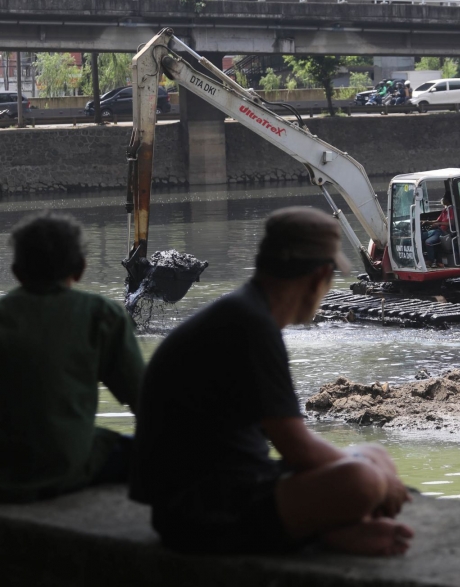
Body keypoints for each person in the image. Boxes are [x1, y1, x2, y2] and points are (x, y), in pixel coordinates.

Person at [130, 206, 414, 556]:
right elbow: (298, 448)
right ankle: (327, 534)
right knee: (363, 480)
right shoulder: (253, 326)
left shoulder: (243, 311)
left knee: (374, 453)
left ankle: (333, 531)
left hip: (215, 490)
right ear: (319, 277)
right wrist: (381, 484)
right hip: (200, 513)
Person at [0, 210, 145, 503]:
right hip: (64, 467)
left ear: (17, 272)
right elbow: (145, 399)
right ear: (80, 268)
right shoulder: (101, 314)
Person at [422, 192, 455, 268]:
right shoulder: (445, 210)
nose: (442, 199)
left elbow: (451, 223)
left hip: (444, 233)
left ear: (448, 200)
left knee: (428, 242)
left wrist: (438, 224)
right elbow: (437, 221)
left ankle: (431, 260)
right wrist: (427, 222)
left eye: (444, 198)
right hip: (437, 230)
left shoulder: (452, 210)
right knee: (421, 236)